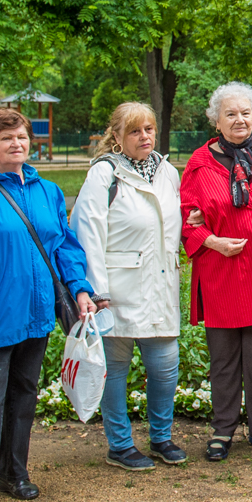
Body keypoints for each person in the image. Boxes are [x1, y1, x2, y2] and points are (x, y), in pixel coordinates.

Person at [0, 109, 95, 502]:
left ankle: (14, 473)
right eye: (7, 138)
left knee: (23, 394)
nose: (17, 144)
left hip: (35, 312)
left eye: (22, 137)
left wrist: (79, 287)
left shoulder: (47, 192)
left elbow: (64, 245)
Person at [180, 82, 252, 462]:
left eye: (245, 113)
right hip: (222, 272)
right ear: (216, 120)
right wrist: (212, 241)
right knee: (224, 357)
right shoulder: (198, 165)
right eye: (230, 114)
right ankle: (223, 428)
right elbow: (186, 222)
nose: (239, 119)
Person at [71, 102, 185, 471]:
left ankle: (161, 437)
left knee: (165, 367)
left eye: (149, 129)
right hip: (117, 290)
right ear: (117, 137)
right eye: (135, 131)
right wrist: (96, 292)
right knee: (116, 370)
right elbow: (87, 233)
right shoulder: (105, 175)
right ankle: (119, 444)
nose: (145, 136)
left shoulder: (167, 172)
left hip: (160, 284)